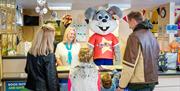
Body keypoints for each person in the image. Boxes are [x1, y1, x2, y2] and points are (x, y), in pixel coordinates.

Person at [117, 11, 160, 91]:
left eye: (129, 22)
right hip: (152, 81)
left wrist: (121, 86)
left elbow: (129, 65)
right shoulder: (151, 36)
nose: (129, 27)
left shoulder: (134, 37)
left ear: (133, 21)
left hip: (139, 84)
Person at [25, 23, 59, 91]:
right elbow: (51, 80)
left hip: (31, 87)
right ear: (49, 39)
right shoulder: (49, 55)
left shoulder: (30, 52)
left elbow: (27, 70)